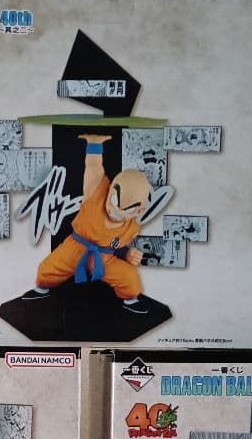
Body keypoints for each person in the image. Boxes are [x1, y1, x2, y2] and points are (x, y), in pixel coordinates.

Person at [23, 133, 170, 313]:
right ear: (110, 190)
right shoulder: (96, 194)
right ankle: (41, 290)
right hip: (74, 248)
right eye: (114, 201)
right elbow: (93, 167)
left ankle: (131, 301)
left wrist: (127, 253)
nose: (114, 211)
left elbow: (116, 246)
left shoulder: (132, 226)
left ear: (138, 211)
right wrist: (94, 144)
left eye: (126, 209)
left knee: (130, 277)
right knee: (46, 269)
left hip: (104, 258)